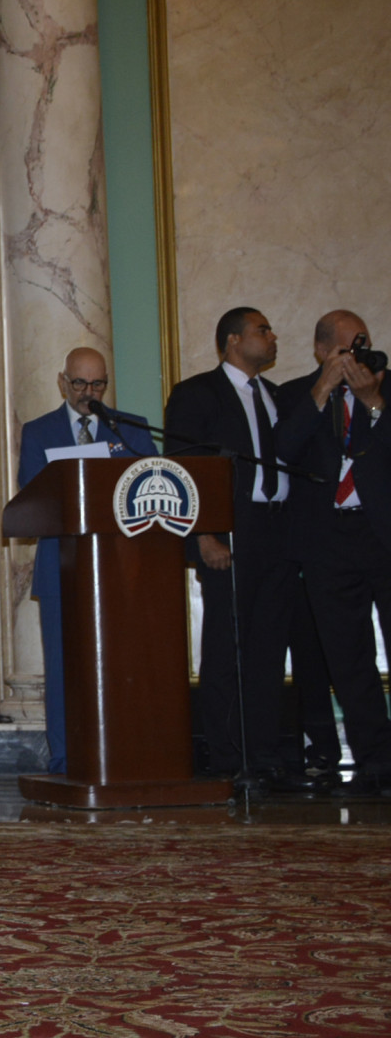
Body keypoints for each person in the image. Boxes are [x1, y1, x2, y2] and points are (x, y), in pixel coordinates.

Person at [163, 308, 295, 787]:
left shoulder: (276, 396)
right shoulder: (198, 393)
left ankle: (263, 754)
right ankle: (227, 756)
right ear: (234, 340)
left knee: (268, 651)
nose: (273, 336)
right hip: (228, 533)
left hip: (277, 532)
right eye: (263, 329)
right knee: (226, 649)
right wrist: (204, 535)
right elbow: (184, 468)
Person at [15, 347, 156, 774]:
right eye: (79, 383)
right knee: (62, 668)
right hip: (60, 567)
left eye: (97, 384)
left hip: (118, 567)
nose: (87, 393)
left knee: (120, 664)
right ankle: (64, 758)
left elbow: (148, 487)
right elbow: (31, 497)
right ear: (63, 382)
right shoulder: (39, 431)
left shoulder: (129, 428)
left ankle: (123, 751)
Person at [274, 309, 391, 795]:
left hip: (382, 532)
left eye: (363, 344)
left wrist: (373, 404)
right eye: (347, 348)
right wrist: (323, 390)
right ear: (322, 351)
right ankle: (376, 762)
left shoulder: (384, 388)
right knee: (348, 657)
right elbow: (283, 449)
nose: (358, 356)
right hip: (327, 541)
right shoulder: (293, 395)